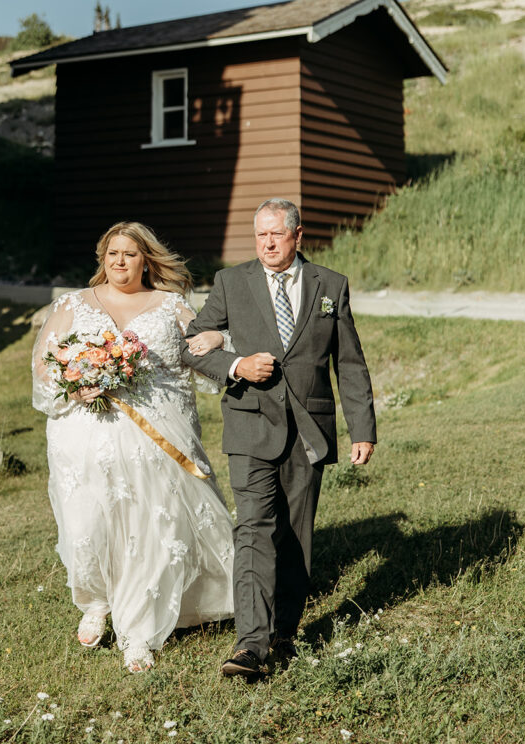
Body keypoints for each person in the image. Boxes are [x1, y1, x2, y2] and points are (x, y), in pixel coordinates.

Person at [182, 198, 376, 679]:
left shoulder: (331, 286)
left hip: (309, 428)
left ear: (297, 235)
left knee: (295, 536)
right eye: (261, 235)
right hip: (249, 424)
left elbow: (348, 362)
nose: (268, 243)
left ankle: (284, 633)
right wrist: (235, 365)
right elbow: (193, 341)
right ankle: (250, 645)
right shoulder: (231, 282)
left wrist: (363, 428)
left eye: (277, 234)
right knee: (253, 529)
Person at [32, 221, 234, 673]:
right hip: (85, 434)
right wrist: (75, 383)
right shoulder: (73, 304)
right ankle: (97, 602)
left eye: (129, 253)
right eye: (111, 254)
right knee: (89, 525)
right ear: (102, 259)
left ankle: (139, 629)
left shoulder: (171, 306)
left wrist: (221, 338)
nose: (119, 261)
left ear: (147, 259)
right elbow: (45, 368)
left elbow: (204, 356)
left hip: (157, 433)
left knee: (150, 528)